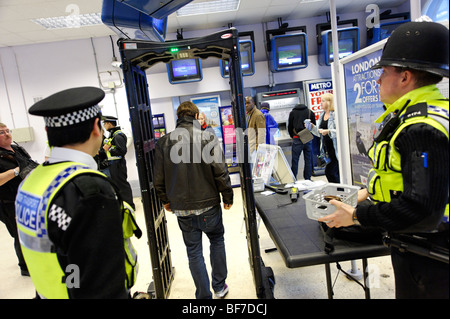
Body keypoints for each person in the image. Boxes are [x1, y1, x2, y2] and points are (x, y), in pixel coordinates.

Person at [318, 21, 449, 299]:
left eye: (384, 72)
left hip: (431, 257)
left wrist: (354, 215)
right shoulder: (426, 114)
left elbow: (422, 210)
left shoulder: (421, 128)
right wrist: (364, 195)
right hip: (419, 247)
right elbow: (403, 176)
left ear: (405, 77)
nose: (377, 80)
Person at [15, 87, 140, 299]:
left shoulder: (32, 181)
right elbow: (101, 284)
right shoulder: (89, 190)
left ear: (48, 133)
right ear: (95, 127)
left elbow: (57, 257)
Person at [154, 101, 233, 299]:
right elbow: (220, 171)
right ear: (196, 116)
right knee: (217, 240)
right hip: (209, 205)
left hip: (181, 208)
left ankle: (204, 296)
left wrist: (165, 200)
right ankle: (219, 286)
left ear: (178, 117)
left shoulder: (163, 142)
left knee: (193, 251)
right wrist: (227, 196)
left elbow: (158, 179)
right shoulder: (207, 137)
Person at [0, 123, 38, 276]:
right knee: (19, 233)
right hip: (8, 202)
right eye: (2, 132)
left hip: (25, 197)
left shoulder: (17, 149)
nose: (7, 134)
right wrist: (16, 171)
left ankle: (32, 260)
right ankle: (25, 267)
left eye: (8, 131)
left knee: (29, 231)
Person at [98, 115, 135, 209]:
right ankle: (123, 205)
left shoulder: (118, 136)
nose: (104, 125)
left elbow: (122, 151)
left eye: (105, 123)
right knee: (117, 186)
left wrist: (109, 149)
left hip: (118, 164)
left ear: (109, 123)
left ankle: (130, 205)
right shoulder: (112, 135)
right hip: (113, 164)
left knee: (122, 185)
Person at [288, 103, 316, 180]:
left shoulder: (293, 113)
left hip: (297, 137)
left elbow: (290, 126)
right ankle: (307, 178)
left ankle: (293, 179)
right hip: (307, 136)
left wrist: (292, 135)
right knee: (308, 159)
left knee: (295, 160)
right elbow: (314, 125)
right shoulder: (310, 112)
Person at [317, 93, 340, 183]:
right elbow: (319, 131)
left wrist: (329, 131)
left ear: (329, 102)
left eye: (323, 101)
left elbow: (340, 131)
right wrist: (312, 127)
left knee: (331, 172)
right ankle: (336, 191)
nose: (321, 103)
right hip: (327, 149)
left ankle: (340, 192)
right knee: (330, 172)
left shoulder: (334, 115)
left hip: (336, 149)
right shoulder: (321, 115)